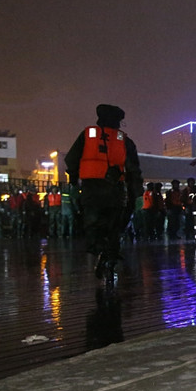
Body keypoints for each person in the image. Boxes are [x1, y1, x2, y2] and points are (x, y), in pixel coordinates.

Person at [65, 104, 143, 284]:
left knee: (93, 225)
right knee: (114, 227)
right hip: (115, 191)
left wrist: (74, 179)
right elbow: (134, 170)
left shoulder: (87, 135)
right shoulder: (124, 140)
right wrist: (137, 194)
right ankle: (110, 258)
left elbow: (71, 159)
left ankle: (101, 252)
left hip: (92, 190)